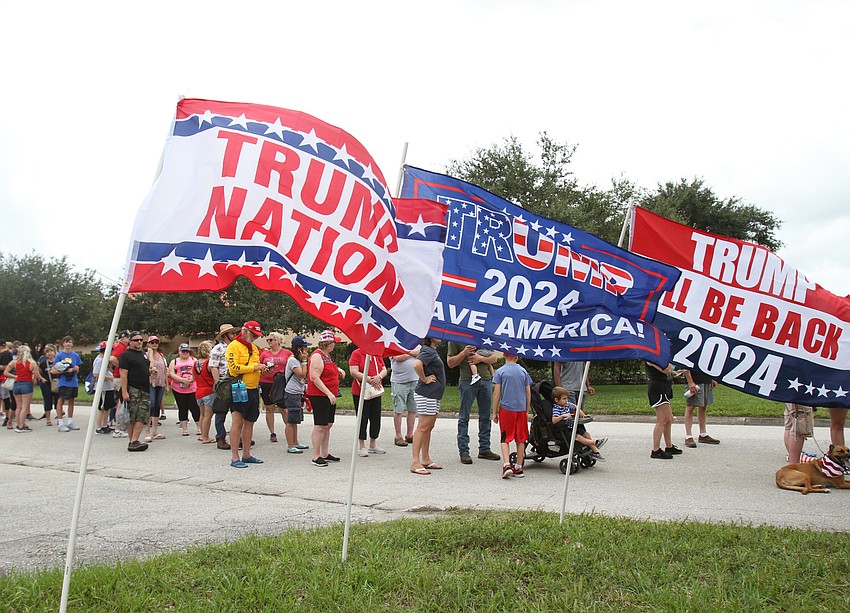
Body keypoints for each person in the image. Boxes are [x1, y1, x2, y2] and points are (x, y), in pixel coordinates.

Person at [446, 342, 501, 465]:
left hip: (485, 380)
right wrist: (464, 353)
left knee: (485, 416)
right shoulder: (455, 339)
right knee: (464, 417)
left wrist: (481, 358)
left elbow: (494, 357)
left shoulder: (480, 335)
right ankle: (464, 451)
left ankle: (484, 449)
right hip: (467, 380)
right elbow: (450, 363)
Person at [226, 321, 268, 468]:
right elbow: (234, 368)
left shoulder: (254, 348)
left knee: (250, 421)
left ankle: (246, 454)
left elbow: (254, 366)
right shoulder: (233, 346)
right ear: (244, 331)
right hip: (239, 388)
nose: (255, 338)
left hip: (253, 389)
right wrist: (255, 367)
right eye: (253, 334)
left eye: (257, 335)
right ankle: (234, 457)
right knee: (237, 421)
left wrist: (261, 369)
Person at [306, 330, 346, 467]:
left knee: (328, 424)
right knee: (320, 425)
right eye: (334, 342)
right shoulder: (317, 356)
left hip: (329, 394)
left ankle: (325, 453)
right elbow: (314, 377)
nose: (335, 345)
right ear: (329, 344)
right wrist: (328, 393)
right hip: (320, 395)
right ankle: (316, 456)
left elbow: (326, 369)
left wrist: (338, 369)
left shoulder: (326, 356)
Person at [491, 354, 532, 478]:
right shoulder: (523, 371)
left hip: (507, 409)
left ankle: (507, 464)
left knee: (505, 437)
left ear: (504, 356)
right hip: (520, 408)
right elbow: (528, 392)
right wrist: (527, 409)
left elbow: (497, 393)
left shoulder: (500, 372)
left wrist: (494, 412)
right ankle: (519, 467)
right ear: (517, 357)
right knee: (521, 438)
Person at [410, 337, 446, 475]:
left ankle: (425, 458)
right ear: (430, 337)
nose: (440, 336)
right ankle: (415, 461)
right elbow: (416, 364)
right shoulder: (428, 351)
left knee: (428, 427)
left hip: (433, 395)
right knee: (423, 427)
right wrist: (424, 379)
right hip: (427, 394)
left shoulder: (430, 351)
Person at [349, 346, 388, 457]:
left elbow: (384, 369)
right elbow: (353, 371)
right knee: (362, 417)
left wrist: (379, 376)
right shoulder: (356, 353)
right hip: (360, 391)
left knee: (376, 417)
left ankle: (373, 443)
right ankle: (361, 445)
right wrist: (368, 378)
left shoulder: (376, 353)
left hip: (375, 389)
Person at [550, 386, 606, 458]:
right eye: (564, 399)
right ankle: (595, 442)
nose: (566, 400)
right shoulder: (557, 409)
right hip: (564, 430)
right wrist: (563, 416)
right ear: (556, 400)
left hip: (571, 426)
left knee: (586, 434)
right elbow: (554, 420)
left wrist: (583, 415)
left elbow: (576, 407)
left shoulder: (566, 404)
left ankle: (596, 452)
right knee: (578, 437)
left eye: (567, 398)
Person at [209, 323, 240, 450]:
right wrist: (218, 384)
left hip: (236, 381)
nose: (235, 335)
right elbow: (213, 366)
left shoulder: (237, 347)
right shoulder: (218, 349)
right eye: (232, 333)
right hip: (224, 382)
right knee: (221, 411)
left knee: (238, 410)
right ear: (225, 335)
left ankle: (238, 437)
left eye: (235, 333)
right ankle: (220, 437)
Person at [118, 332, 151, 452]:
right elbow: (123, 374)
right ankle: (133, 441)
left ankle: (133, 441)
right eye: (136, 340)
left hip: (145, 388)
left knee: (142, 415)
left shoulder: (143, 354)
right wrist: (124, 391)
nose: (139, 342)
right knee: (133, 416)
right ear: (130, 342)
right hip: (133, 388)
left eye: (141, 340)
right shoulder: (126, 355)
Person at [259, 331, 292, 443]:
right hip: (266, 382)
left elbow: (291, 366)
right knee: (269, 408)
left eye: (271, 340)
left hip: (280, 383)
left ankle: (289, 428)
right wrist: (264, 370)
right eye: (267, 340)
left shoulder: (287, 353)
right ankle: (272, 432)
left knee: (284, 408)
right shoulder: (264, 354)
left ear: (278, 341)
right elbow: (259, 367)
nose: (269, 342)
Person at [646, 361, 683, 459]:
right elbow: (666, 369)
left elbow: (668, 371)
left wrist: (674, 373)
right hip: (658, 389)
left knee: (669, 419)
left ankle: (669, 446)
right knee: (662, 420)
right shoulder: (651, 358)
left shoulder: (659, 357)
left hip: (664, 388)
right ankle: (656, 450)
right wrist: (670, 360)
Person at [3, 345, 44, 432]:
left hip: (17, 384)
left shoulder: (14, 362)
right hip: (27, 384)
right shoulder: (32, 363)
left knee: (18, 406)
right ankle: (21, 426)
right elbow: (37, 375)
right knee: (24, 407)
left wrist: (14, 376)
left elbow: (5, 372)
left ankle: (18, 424)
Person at [281, 336, 310, 453]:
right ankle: (290, 445)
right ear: (299, 349)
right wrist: (304, 361)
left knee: (295, 420)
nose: (306, 350)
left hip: (298, 392)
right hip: (291, 393)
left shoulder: (297, 361)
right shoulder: (293, 360)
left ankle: (295, 442)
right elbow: (302, 374)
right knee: (291, 420)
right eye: (304, 347)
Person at [390, 348, 419, 447]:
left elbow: (421, 352)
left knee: (413, 409)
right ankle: (398, 436)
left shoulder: (416, 343)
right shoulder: (394, 343)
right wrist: (412, 354)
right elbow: (398, 357)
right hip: (399, 381)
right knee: (398, 409)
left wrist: (406, 354)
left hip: (415, 380)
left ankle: (410, 435)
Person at [53, 336, 83, 432]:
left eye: (70, 342)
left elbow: (77, 367)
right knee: (61, 400)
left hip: (73, 382)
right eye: (66, 342)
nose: (68, 344)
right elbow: (53, 370)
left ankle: (70, 421)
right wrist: (66, 370)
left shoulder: (75, 355)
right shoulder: (59, 356)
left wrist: (76, 369)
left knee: (71, 401)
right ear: (63, 344)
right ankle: (60, 421)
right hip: (63, 382)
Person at [682, 369, 720, 447]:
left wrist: (712, 378)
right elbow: (685, 366)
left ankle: (703, 434)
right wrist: (690, 382)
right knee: (690, 407)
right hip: (694, 381)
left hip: (706, 380)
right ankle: (688, 436)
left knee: (703, 406)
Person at [169, 343, 200, 437]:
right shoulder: (174, 361)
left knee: (195, 408)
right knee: (182, 408)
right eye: (183, 351)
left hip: (192, 388)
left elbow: (198, 372)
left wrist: (191, 379)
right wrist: (182, 380)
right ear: (179, 351)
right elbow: (171, 373)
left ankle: (199, 428)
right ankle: (185, 429)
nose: (185, 353)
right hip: (178, 388)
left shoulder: (194, 360)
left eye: (187, 351)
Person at [193, 340, 216, 444]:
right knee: (208, 416)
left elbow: (194, 378)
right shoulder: (209, 363)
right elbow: (215, 378)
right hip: (208, 391)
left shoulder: (195, 363)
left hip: (198, 391)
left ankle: (202, 435)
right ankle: (206, 437)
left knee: (202, 415)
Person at [146, 335, 167, 441]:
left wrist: (167, 385)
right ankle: (148, 431)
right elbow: (149, 366)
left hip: (160, 382)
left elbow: (165, 370)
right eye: (152, 342)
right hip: (151, 383)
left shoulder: (161, 355)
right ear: (148, 344)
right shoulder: (146, 355)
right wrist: (150, 353)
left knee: (157, 405)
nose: (154, 344)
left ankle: (155, 430)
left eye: (156, 342)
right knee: (152, 404)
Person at [92, 342, 116, 435]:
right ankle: (98, 427)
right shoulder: (99, 360)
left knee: (107, 407)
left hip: (109, 387)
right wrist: (109, 378)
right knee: (101, 407)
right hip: (102, 388)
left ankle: (104, 425)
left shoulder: (106, 359)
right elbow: (96, 374)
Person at [37, 344, 59, 425]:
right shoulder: (43, 363)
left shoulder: (58, 362)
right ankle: (48, 419)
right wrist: (41, 378)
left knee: (58, 401)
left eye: (51, 351)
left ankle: (59, 418)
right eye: (47, 352)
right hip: (46, 383)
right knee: (47, 400)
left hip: (56, 382)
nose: (49, 353)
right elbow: (38, 372)